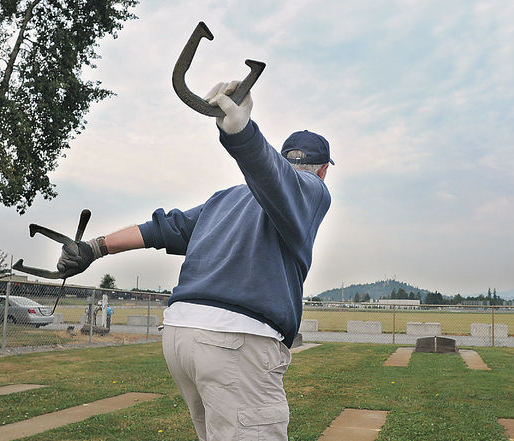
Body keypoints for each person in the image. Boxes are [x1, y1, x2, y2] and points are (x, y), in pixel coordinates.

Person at [57, 81, 333, 440]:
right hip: (234, 338)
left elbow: (165, 229)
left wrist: (96, 247)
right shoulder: (313, 190)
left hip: (180, 334)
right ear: (324, 170)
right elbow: (283, 181)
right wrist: (240, 133)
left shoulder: (226, 198)